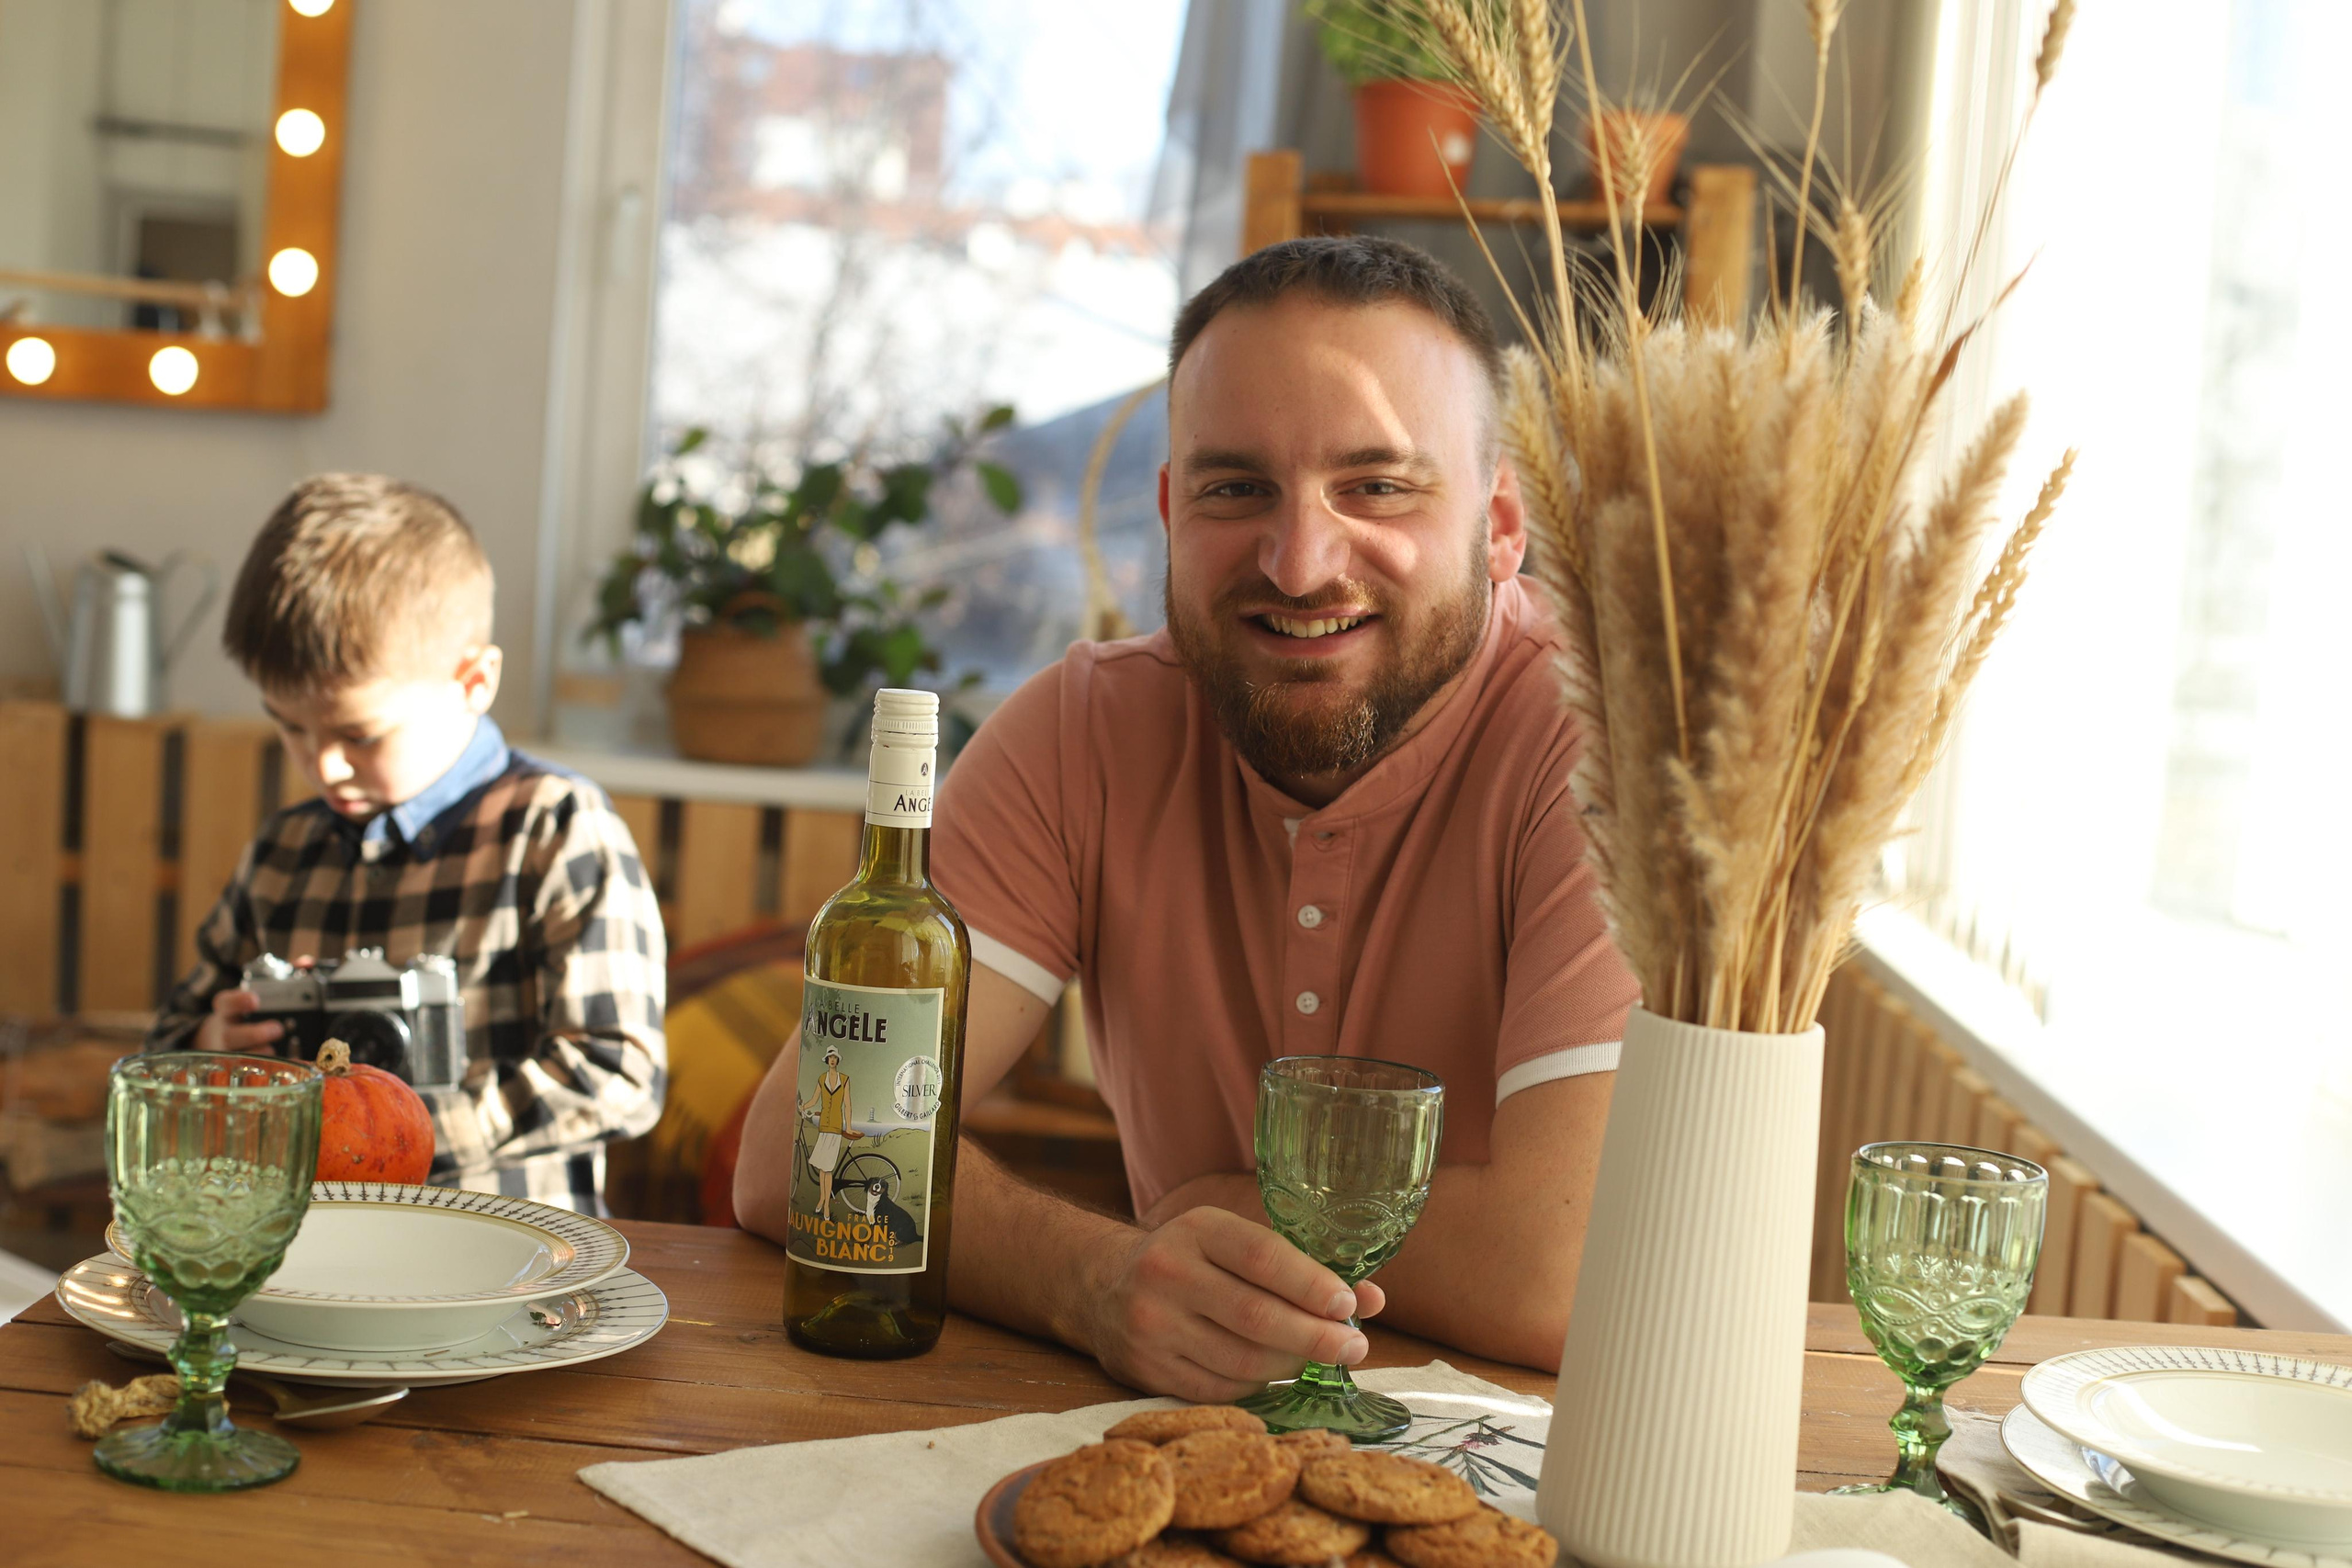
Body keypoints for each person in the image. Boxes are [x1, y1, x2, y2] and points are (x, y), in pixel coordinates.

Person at [734, 236, 1639, 1392]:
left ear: (1501, 522)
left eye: (1378, 486)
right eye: (1235, 488)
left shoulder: (1604, 740)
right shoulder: (1081, 730)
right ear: (1170, 510)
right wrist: (1093, 1277)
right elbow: (792, 1160)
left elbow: (1557, 1277)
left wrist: (1217, 1202)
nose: (1301, 562)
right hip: (1189, 1438)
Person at [149, 474, 666, 1214]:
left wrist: (385, 1133)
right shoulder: (283, 853)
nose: (321, 764)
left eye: (359, 733)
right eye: (289, 726)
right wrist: (218, 1047)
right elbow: (159, 1060)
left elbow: (618, 1074)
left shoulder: (555, 828)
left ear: (473, 681)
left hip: (504, 1261)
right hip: (304, 1259)